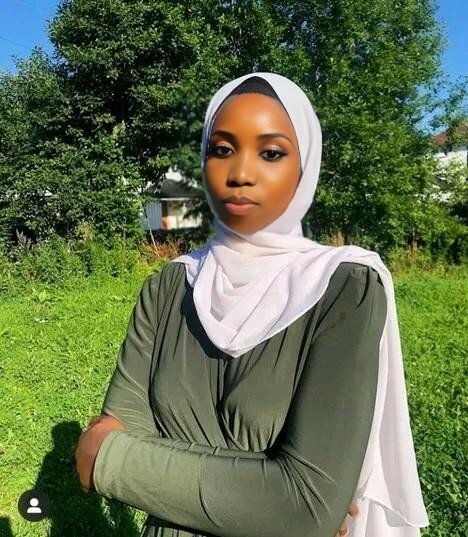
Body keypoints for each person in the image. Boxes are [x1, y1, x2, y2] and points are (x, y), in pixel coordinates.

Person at [75, 73, 429, 537]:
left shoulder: (343, 286)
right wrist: (269, 493)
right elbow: (106, 440)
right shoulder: (170, 285)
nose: (240, 173)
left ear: (305, 167)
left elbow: (304, 507)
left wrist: (118, 462)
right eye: (222, 149)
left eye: (271, 153)